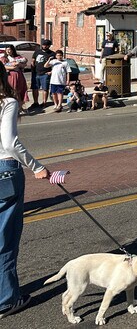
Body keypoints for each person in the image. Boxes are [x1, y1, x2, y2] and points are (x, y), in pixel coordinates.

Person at [0, 63, 50, 319]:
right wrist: (36, 166)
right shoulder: (7, 102)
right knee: (5, 238)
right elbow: (9, 142)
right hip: (5, 170)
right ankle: (6, 299)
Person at [29, 39, 55, 109]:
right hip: (36, 73)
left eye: (46, 45)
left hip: (45, 73)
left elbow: (55, 65)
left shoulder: (52, 54)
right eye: (43, 45)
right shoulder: (37, 51)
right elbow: (33, 58)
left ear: (49, 46)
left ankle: (44, 102)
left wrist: (51, 72)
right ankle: (35, 102)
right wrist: (32, 62)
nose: (44, 46)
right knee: (35, 88)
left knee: (45, 88)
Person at [0, 47, 27, 113]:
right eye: (7, 50)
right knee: (13, 91)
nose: (9, 51)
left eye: (10, 50)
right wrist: (13, 67)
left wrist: (19, 64)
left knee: (20, 91)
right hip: (10, 76)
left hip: (19, 76)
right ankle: (15, 107)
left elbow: (24, 64)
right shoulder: (4, 58)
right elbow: (3, 66)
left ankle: (20, 107)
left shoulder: (18, 57)